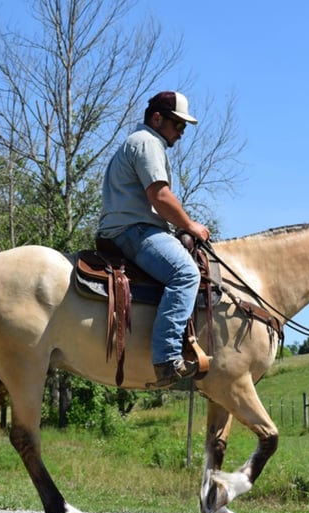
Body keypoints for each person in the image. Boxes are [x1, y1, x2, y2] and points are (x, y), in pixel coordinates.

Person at [97, 91, 210, 388]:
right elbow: (159, 196)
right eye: (177, 125)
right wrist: (190, 225)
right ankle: (166, 357)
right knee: (186, 274)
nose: (181, 133)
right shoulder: (148, 142)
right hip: (135, 230)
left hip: (124, 227)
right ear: (157, 118)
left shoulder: (136, 142)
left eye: (184, 127)